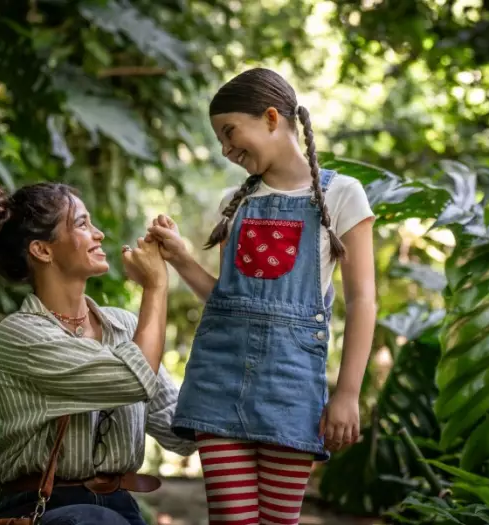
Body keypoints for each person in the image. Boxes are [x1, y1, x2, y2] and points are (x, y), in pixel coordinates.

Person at [146, 68, 377, 525]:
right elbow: (229, 299)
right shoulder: (237, 200)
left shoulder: (341, 195)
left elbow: (364, 300)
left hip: (289, 389)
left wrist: (347, 393)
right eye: (219, 141)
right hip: (218, 378)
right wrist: (182, 260)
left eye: (230, 133)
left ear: (272, 117)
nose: (227, 150)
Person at [0, 182, 197, 525]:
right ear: (42, 250)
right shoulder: (20, 334)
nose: (99, 234)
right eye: (81, 224)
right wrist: (155, 287)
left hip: (119, 509)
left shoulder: (123, 326)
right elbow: (132, 378)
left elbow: (179, 430)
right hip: (40, 508)